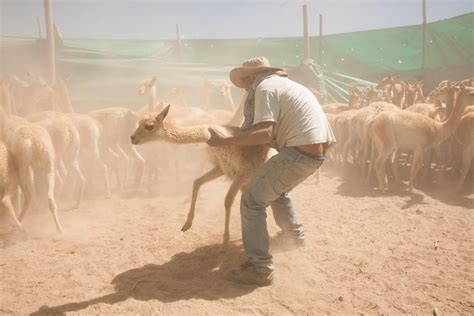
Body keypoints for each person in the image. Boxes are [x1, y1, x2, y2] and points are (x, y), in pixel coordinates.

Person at [207, 57, 336, 286]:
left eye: (245, 82)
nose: (245, 88)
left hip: (299, 152)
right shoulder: (289, 85)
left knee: (252, 199)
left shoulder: (264, 88)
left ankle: (260, 268)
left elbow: (265, 133)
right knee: (276, 189)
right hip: (317, 152)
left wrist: (227, 141)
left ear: (251, 77)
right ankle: (293, 236)